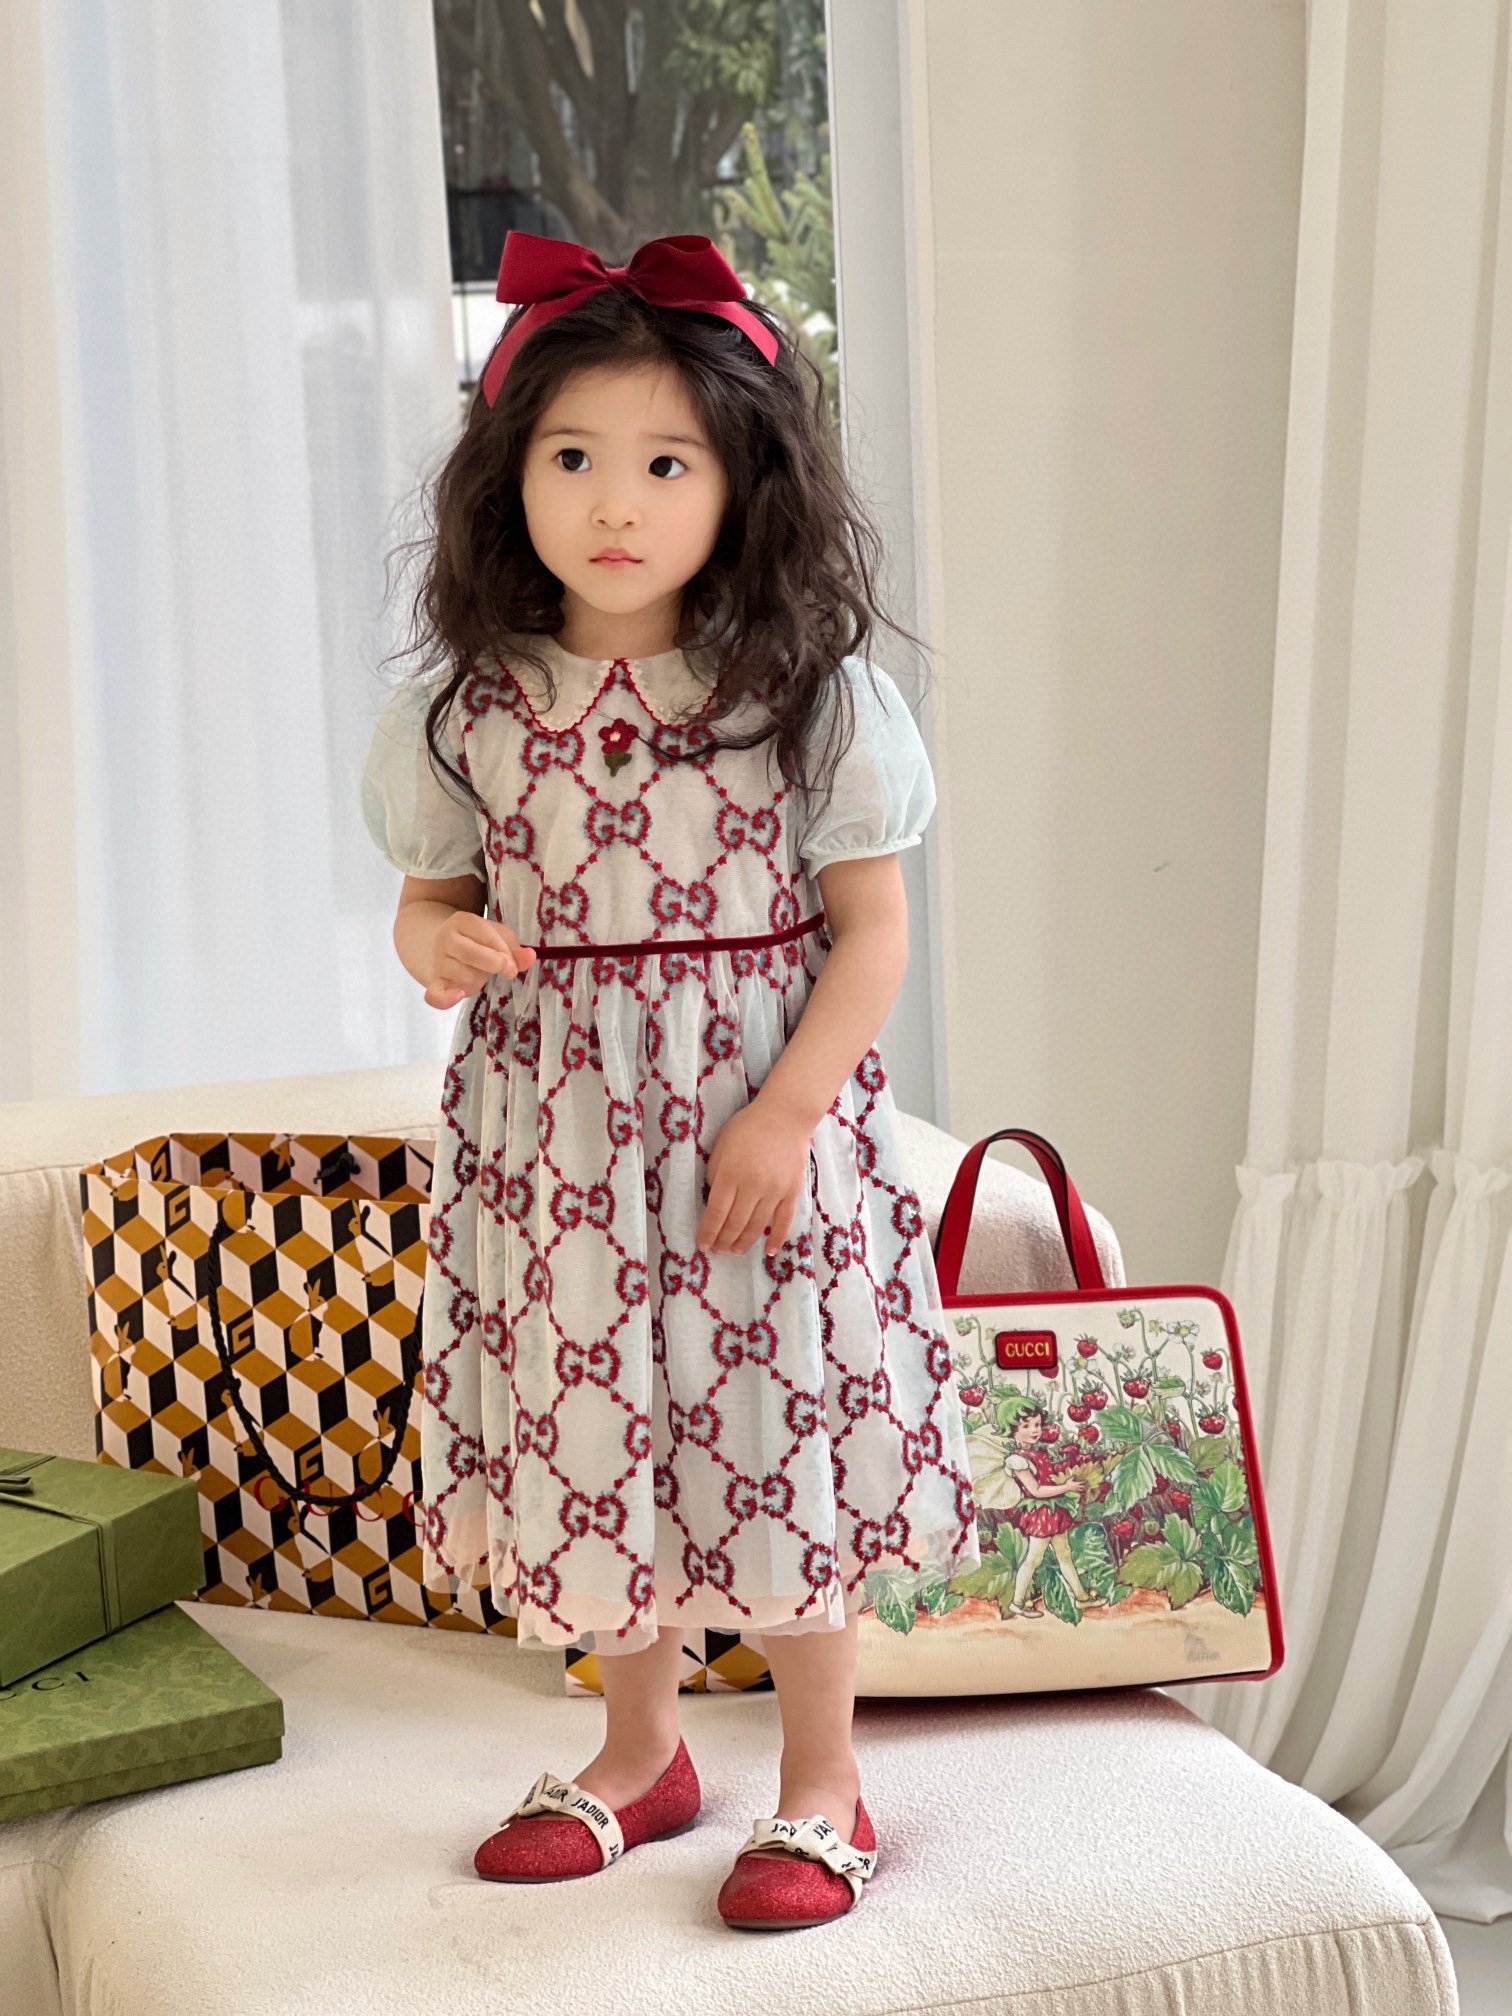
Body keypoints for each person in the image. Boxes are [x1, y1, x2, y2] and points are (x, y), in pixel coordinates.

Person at [360, 230, 981, 1928]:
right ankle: (641, 1753)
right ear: (510, 477)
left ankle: (823, 1776)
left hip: (750, 1136)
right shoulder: (469, 713)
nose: (613, 504)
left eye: (664, 464)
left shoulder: (804, 699)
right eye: (572, 458)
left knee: (773, 1425)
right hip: (555, 1147)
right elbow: (427, 903)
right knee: (594, 1432)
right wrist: (440, 946)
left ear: (742, 485)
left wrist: (786, 1115)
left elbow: (871, 938)